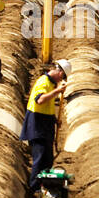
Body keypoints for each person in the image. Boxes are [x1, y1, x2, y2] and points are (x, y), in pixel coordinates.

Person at [20, 59, 72, 189]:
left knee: (48, 159)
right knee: (40, 158)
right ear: (61, 74)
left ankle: (45, 185)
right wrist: (57, 91)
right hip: (37, 125)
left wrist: (54, 120)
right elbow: (40, 100)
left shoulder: (51, 84)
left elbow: (47, 106)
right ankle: (35, 187)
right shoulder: (43, 82)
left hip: (46, 125)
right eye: (62, 78)